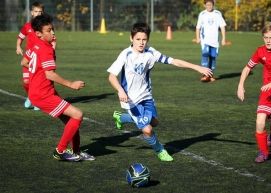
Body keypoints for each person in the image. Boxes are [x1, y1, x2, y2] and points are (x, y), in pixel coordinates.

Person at [107, 22, 212, 161]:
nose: (141, 42)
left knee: (154, 122)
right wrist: (120, 90)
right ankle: (160, 150)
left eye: (144, 39)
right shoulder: (125, 55)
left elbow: (174, 61)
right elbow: (111, 76)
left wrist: (197, 67)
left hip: (146, 96)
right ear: (131, 38)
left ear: (148, 39)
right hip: (131, 100)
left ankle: (121, 117)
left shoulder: (151, 53)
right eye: (138, 39)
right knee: (148, 129)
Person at [25, 14, 95, 162]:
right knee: (77, 114)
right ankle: (60, 151)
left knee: (72, 118)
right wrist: (71, 84)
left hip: (39, 92)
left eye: (53, 29)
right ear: (39, 33)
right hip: (42, 94)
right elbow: (49, 74)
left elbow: (24, 62)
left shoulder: (35, 45)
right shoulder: (46, 49)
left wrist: (37, 73)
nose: (53, 33)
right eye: (49, 30)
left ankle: (76, 151)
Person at [237, 22, 271, 163]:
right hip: (267, 92)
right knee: (260, 122)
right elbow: (247, 68)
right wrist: (240, 85)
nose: (268, 40)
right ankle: (264, 152)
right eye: (265, 37)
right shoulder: (260, 51)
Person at [16, 2, 56, 110]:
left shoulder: (46, 26)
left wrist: (52, 49)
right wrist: (18, 47)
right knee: (26, 81)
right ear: (32, 13)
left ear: (43, 12)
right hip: (28, 57)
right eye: (36, 11)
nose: (38, 13)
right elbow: (20, 37)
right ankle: (31, 96)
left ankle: (38, 101)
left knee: (40, 81)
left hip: (40, 58)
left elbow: (53, 39)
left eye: (40, 11)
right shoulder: (27, 26)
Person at [195, 0, 226, 82]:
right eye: (207, 5)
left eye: (211, 5)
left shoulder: (217, 14)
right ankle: (204, 74)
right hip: (205, 40)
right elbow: (198, 27)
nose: (209, 6)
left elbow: (222, 26)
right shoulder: (202, 14)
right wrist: (197, 38)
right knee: (205, 54)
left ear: (213, 5)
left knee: (213, 57)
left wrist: (223, 39)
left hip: (215, 40)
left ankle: (210, 75)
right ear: (204, 5)